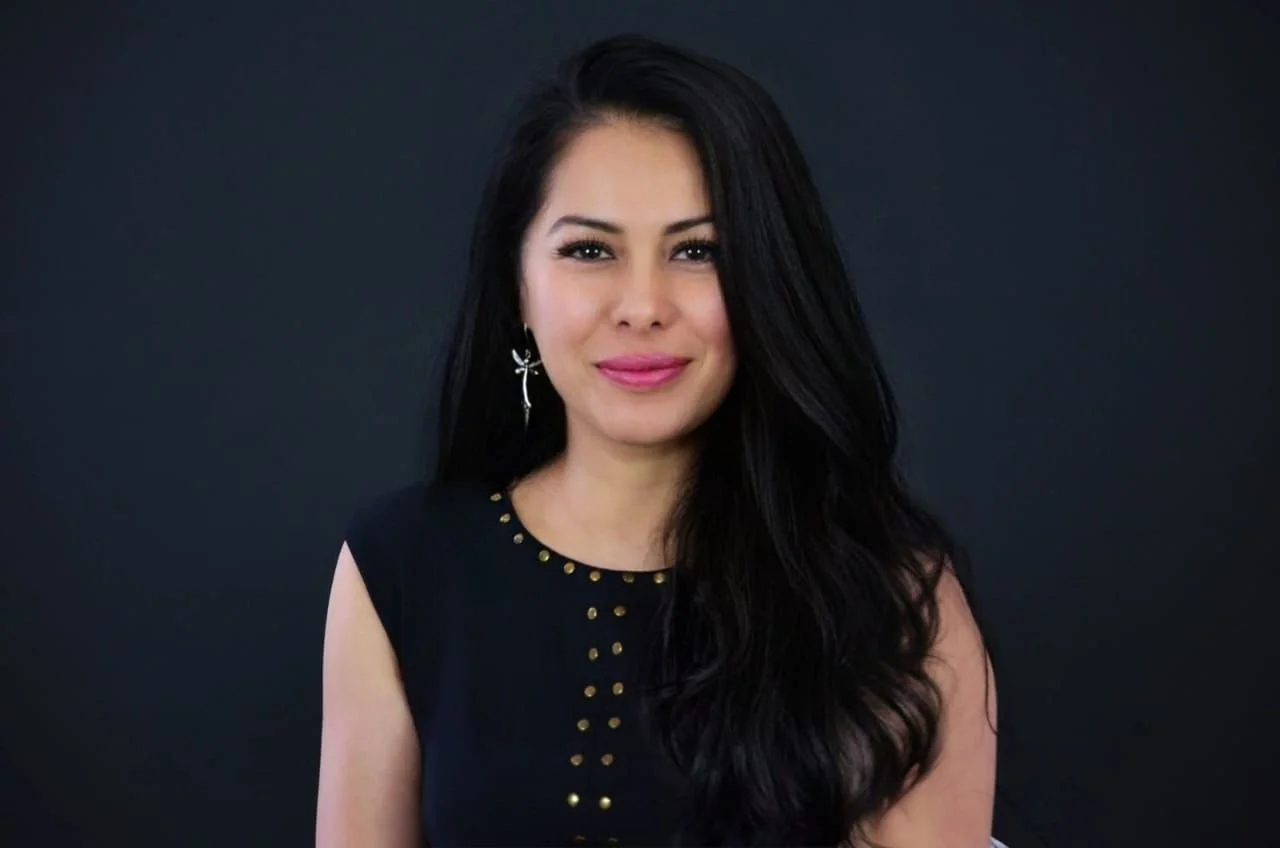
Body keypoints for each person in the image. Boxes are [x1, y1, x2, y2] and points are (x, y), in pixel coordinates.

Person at [317, 33, 1001, 848]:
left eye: (697, 251)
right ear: (518, 287)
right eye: (589, 250)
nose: (642, 304)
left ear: (767, 285)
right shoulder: (401, 566)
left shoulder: (889, 594)